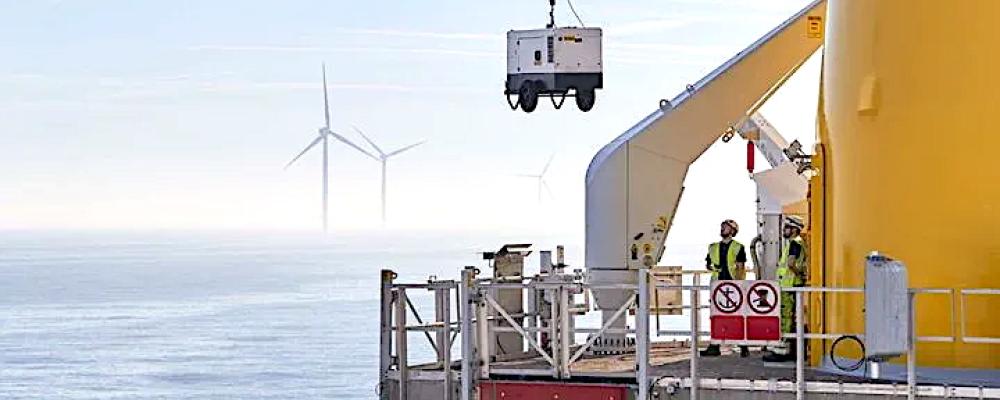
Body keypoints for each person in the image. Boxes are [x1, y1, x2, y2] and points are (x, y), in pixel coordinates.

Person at [701, 219, 750, 357]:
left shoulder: (738, 247)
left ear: (733, 231)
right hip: (717, 285)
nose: (722, 228)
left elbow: (740, 267)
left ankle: (743, 346)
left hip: (733, 285)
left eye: (726, 227)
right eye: (722, 226)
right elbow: (708, 264)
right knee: (715, 316)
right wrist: (713, 267)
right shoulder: (713, 247)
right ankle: (714, 346)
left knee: (737, 316)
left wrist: (740, 285)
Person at [763, 215, 808, 362]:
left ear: (794, 229)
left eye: (787, 227)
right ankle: (787, 349)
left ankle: (782, 352)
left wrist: (799, 274)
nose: (784, 230)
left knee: (786, 318)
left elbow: (790, 263)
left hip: (790, 286)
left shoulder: (795, 243)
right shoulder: (796, 243)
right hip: (790, 286)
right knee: (789, 318)